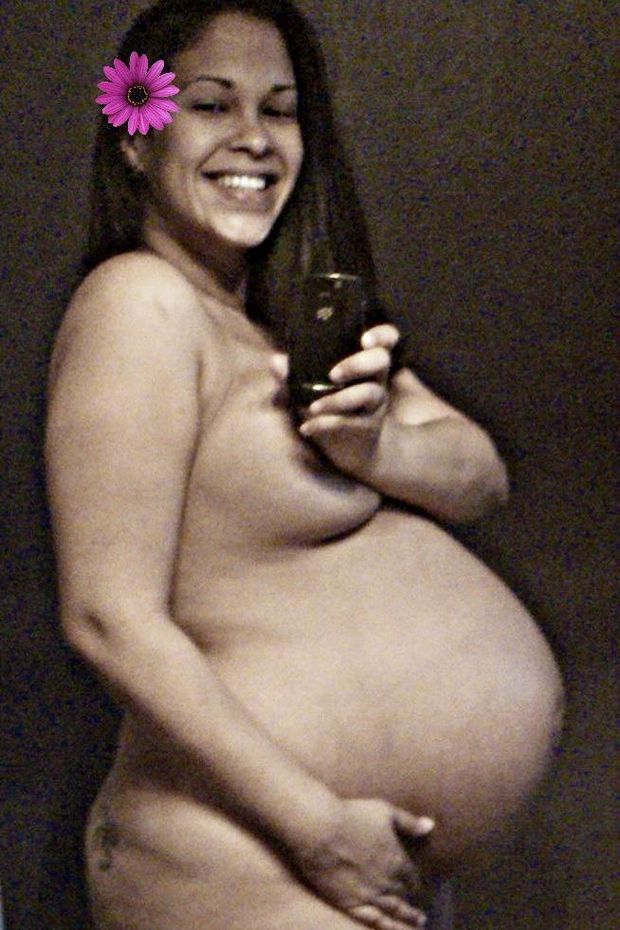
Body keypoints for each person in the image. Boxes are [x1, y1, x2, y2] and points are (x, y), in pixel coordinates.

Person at [45, 1, 564, 928]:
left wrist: (374, 448)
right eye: (212, 104)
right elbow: (107, 620)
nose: (253, 137)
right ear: (136, 138)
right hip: (253, 854)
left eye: (280, 111)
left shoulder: (286, 338)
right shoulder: (140, 304)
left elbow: (483, 476)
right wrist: (317, 827)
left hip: (348, 859)